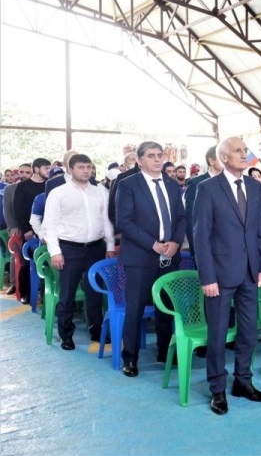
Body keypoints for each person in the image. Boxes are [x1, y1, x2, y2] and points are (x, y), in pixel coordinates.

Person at [194, 137, 261, 415]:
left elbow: (260, 229)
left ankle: (243, 381)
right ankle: (217, 389)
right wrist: (207, 278)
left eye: (245, 150)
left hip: (250, 272)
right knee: (217, 335)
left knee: (249, 331)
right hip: (219, 275)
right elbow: (201, 236)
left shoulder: (254, 185)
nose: (244, 154)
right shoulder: (207, 188)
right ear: (224, 158)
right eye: (238, 151)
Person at [116, 141, 186, 378]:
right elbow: (124, 221)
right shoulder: (128, 185)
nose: (157, 160)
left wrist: (175, 242)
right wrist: (152, 244)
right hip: (141, 256)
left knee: (166, 307)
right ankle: (130, 358)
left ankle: (165, 351)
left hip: (169, 254)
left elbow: (181, 217)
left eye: (159, 155)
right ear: (139, 161)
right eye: (151, 156)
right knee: (135, 308)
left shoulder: (171, 184)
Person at [42, 155, 115, 349]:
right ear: (70, 169)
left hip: (96, 248)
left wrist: (109, 246)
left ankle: (96, 330)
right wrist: (55, 252)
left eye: (89, 167)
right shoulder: (59, 193)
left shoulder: (100, 192)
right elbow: (49, 225)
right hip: (69, 249)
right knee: (67, 294)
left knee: (95, 292)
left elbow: (106, 220)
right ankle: (66, 335)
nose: (86, 171)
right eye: (81, 167)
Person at [13, 157, 51, 304]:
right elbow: (18, 210)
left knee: (46, 263)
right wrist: (26, 229)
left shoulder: (49, 185)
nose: (48, 171)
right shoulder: (23, 186)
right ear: (36, 169)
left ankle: (46, 293)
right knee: (27, 262)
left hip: (46, 231)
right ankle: (26, 294)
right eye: (46, 168)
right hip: (29, 231)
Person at [184, 145, 222, 258]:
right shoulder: (196, 183)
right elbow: (191, 219)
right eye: (222, 157)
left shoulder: (231, 183)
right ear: (211, 161)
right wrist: (196, 251)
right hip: (206, 248)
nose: (227, 160)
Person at [2, 163, 31, 295]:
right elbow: (7, 210)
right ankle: (15, 283)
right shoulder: (10, 189)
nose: (24, 175)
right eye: (21, 172)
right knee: (17, 255)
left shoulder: (36, 186)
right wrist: (13, 227)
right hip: (16, 228)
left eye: (27, 172)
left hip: (32, 228)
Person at [108, 152, 139, 231]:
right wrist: (117, 230)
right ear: (125, 164)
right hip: (129, 227)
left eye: (137, 159)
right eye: (133, 160)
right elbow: (113, 205)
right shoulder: (122, 178)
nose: (135, 161)